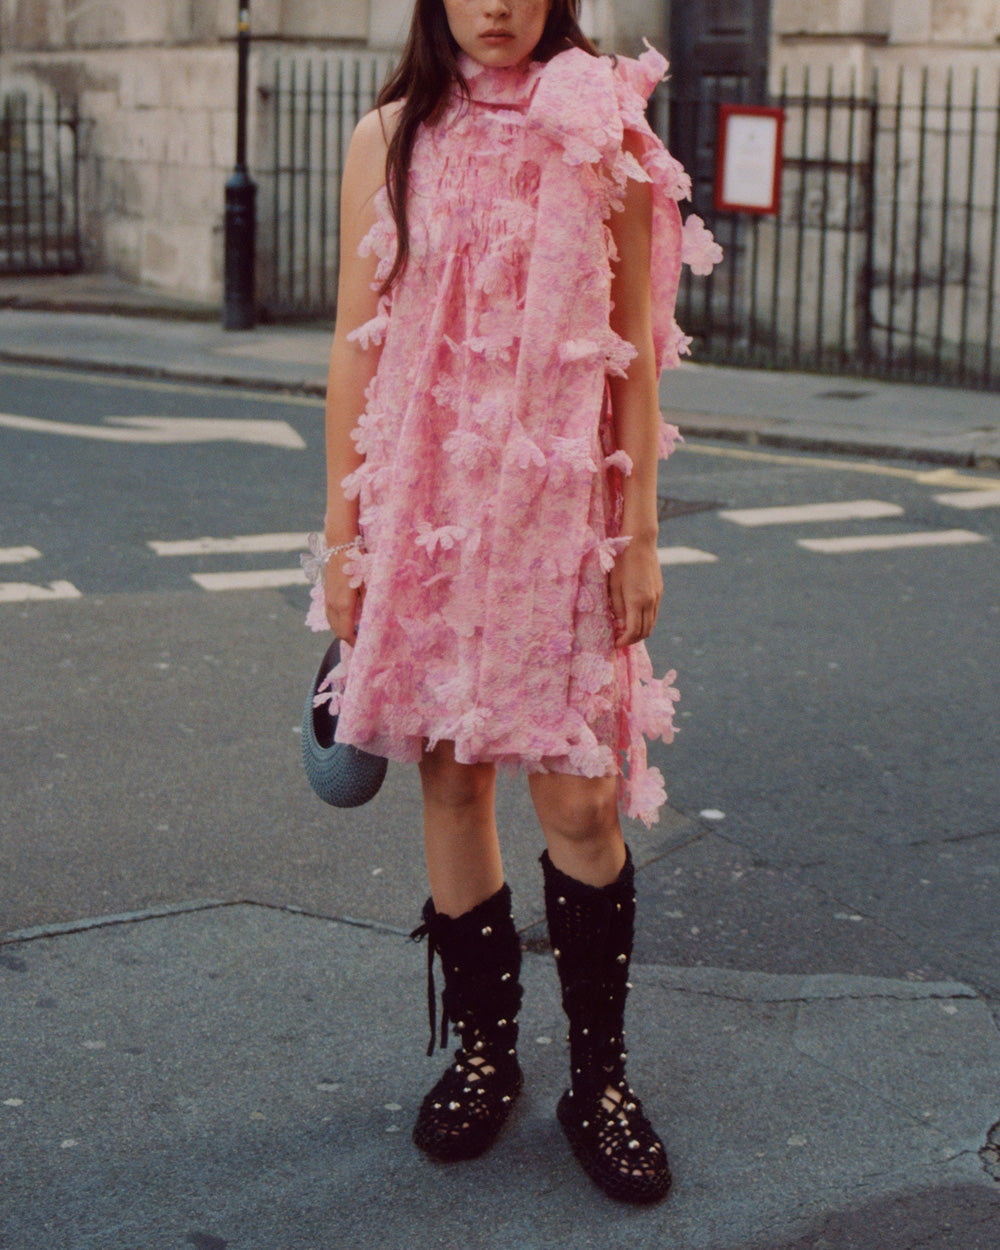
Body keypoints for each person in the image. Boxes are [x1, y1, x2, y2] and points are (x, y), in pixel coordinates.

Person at [306, 0, 720, 1205]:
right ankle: (485, 1052)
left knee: (581, 799)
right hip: (426, 500)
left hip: (564, 519)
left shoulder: (605, 132)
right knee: (448, 776)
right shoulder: (389, 132)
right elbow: (353, 342)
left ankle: (598, 1079)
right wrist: (343, 534)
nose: (495, 5)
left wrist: (637, 537)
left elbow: (635, 351)